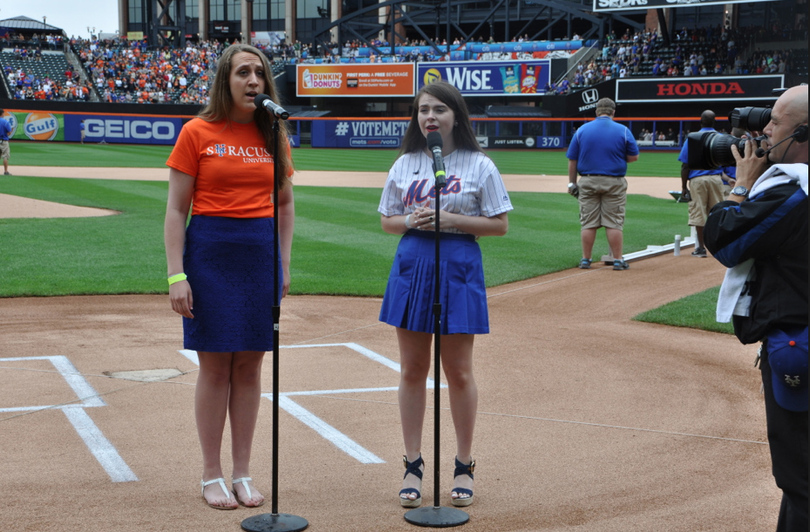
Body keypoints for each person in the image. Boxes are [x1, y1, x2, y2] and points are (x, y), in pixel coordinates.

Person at [163, 44, 295, 511]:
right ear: (226, 80)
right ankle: (210, 474)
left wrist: (283, 263)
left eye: (259, 72)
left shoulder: (273, 133)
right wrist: (176, 273)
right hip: (210, 255)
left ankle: (242, 472)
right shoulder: (197, 132)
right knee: (216, 365)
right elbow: (177, 210)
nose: (253, 80)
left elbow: (284, 204)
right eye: (243, 72)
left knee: (251, 365)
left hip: (259, 256)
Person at [378, 81, 513, 508]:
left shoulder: (480, 164)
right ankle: (413, 464)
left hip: (458, 265)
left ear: (457, 115)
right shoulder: (405, 164)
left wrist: (449, 218)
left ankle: (463, 464)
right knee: (412, 370)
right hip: (413, 262)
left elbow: (499, 225)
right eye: (423, 110)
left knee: (459, 372)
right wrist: (413, 222)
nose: (430, 117)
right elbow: (387, 221)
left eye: (439, 109)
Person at [704, 85, 808, 532]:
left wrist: (742, 185)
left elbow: (724, 239)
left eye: (774, 122)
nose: (763, 131)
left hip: (797, 342)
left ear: (802, 132)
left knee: (800, 476)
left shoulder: (794, 194)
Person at [566, 97, 639, 270]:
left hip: (588, 180)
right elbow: (633, 157)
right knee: (613, 222)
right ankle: (617, 260)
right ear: (613, 112)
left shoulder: (582, 130)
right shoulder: (623, 130)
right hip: (614, 181)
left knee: (588, 222)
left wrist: (571, 183)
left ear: (596, 111)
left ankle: (586, 259)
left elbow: (572, 160)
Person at [677, 110, 725, 257]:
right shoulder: (721, 138)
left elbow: (685, 165)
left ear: (700, 121)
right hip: (716, 178)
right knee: (717, 213)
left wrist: (684, 187)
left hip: (698, 180)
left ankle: (701, 248)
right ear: (714, 121)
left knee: (699, 214)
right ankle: (718, 247)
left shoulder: (692, 138)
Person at [0, 109, 12, 175]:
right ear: (2, 114)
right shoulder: (5, 122)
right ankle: (6, 171)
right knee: (5, 156)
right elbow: (9, 132)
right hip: (3, 141)